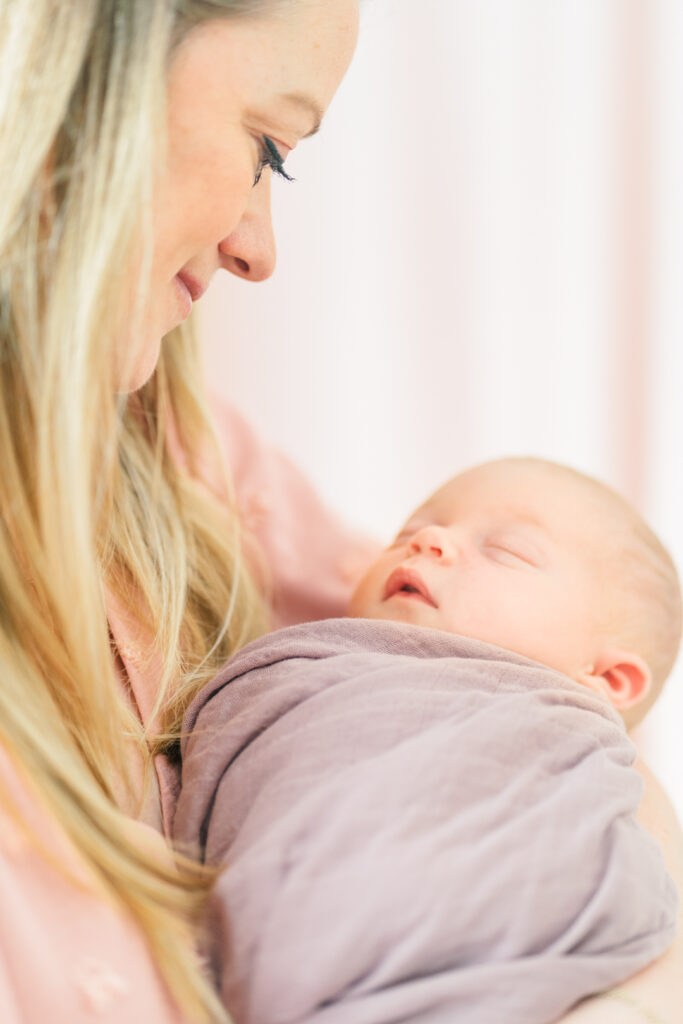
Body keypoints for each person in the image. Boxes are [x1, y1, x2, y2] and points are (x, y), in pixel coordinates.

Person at [0, 2, 680, 1023]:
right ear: (88, 63)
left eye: (282, 162)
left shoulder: (182, 459)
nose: (256, 252)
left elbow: (509, 658)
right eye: (268, 145)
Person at [173, 457, 681, 1022]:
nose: (430, 542)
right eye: (406, 536)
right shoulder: (302, 668)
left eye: (506, 551)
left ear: (606, 679)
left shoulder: (566, 750)